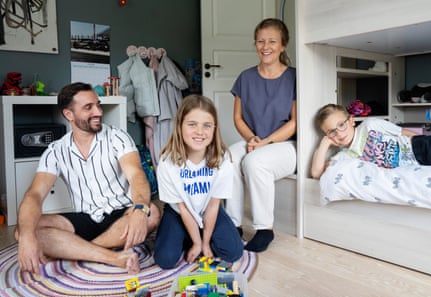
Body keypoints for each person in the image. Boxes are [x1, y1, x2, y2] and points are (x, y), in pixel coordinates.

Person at [15, 82, 160, 275]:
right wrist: (26, 237)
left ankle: (77, 250)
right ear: (69, 115)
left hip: (122, 213)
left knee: (153, 212)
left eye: (98, 105)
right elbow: (34, 195)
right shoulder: (56, 151)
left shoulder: (117, 137)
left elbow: (136, 175)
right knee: (23, 230)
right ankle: (111, 256)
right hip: (85, 218)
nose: (98, 112)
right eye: (88, 107)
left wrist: (140, 208)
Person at [225, 18, 297, 253]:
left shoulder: (294, 77)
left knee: (254, 162)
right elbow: (238, 118)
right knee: (229, 157)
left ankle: (264, 229)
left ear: (283, 45)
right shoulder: (245, 78)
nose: (265, 46)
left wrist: (265, 142)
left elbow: (295, 122)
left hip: (285, 145)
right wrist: (252, 139)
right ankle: (233, 225)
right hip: (255, 141)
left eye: (272, 41)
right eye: (260, 41)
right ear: (255, 44)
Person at [154, 94, 243, 269]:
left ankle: (200, 233)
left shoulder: (223, 160)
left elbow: (213, 206)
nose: (200, 132)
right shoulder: (167, 162)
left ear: (214, 129)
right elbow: (183, 208)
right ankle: (187, 236)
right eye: (192, 124)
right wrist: (196, 243)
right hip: (180, 213)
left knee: (234, 252)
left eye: (207, 125)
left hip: (209, 209)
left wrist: (205, 243)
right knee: (165, 259)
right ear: (180, 126)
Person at [311, 103, 431, 179]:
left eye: (341, 125)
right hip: (415, 166)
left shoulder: (370, 125)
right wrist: (324, 144)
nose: (339, 133)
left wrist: (422, 141)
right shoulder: (345, 156)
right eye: (331, 132)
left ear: (351, 120)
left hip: (419, 147)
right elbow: (316, 174)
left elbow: (402, 132)